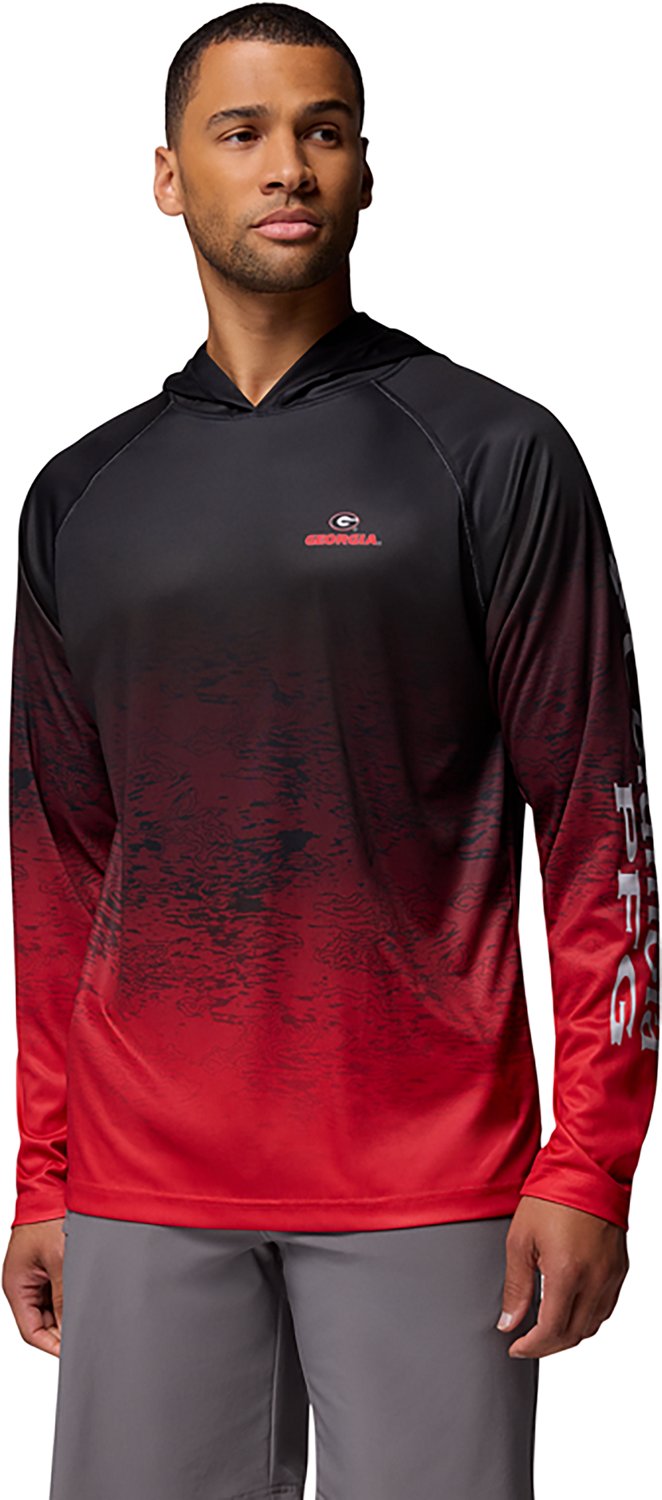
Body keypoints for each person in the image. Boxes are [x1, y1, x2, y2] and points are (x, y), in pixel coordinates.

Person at [2, 5, 659, 1498]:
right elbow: (59, 869)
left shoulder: (490, 453)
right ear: (168, 176)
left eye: (324, 129)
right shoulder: (79, 496)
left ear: (367, 170)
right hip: (144, 1182)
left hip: (430, 1179)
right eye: (240, 133)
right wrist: (48, 1170)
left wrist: (588, 1161)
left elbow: (599, 828)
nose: (287, 164)